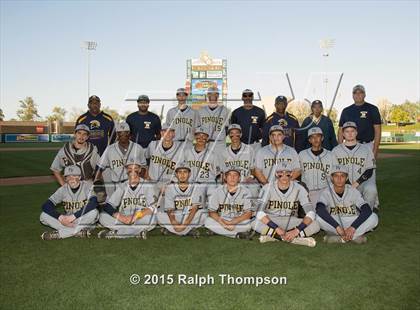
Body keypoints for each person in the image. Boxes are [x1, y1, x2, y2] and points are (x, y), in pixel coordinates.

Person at [252, 162, 320, 244]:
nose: (284, 176)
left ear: (291, 174)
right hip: (272, 220)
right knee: (254, 223)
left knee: (316, 224)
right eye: (281, 173)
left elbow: (311, 213)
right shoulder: (267, 188)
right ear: (276, 174)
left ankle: (277, 236)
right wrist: (276, 228)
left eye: (287, 173)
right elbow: (259, 212)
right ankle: (293, 238)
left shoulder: (299, 188)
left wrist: (296, 230)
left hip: (291, 220)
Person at [316, 165, 378, 244]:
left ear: (347, 178)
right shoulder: (326, 192)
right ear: (331, 178)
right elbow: (319, 209)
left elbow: (366, 210)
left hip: (351, 220)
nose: (339, 179)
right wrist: (337, 227)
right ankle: (354, 237)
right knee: (317, 218)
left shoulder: (353, 191)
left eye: (342, 176)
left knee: (374, 218)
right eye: (336, 176)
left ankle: (340, 238)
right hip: (335, 221)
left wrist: (353, 227)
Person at [97, 158, 158, 239]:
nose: (132, 170)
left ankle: (117, 234)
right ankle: (135, 232)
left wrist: (136, 216)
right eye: (129, 168)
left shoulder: (147, 185)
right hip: (123, 220)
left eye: (135, 168)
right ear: (126, 170)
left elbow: (153, 207)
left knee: (152, 219)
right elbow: (109, 206)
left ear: (140, 169)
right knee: (102, 216)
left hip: (139, 219)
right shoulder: (122, 186)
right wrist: (122, 218)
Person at [40, 165, 99, 240]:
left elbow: (94, 203)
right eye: (68, 176)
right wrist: (60, 218)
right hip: (67, 222)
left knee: (94, 212)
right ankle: (78, 231)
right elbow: (46, 205)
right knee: (43, 215)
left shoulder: (87, 186)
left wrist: (73, 217)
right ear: (65, 179)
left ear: (79, 177)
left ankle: (60, 234)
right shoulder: (63, 189)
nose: (71, 179)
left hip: (82, 218)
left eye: (74, 176)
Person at [332, 122, 379, 210]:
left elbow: (369, 170)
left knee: (371, 189)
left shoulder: (366, 149)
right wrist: (347, 185)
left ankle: (367, 213)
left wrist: (356, 184)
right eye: (347, 131)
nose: (350, 134)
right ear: (343, 134)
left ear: (356, 133)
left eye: (352, 131)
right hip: (343, 184)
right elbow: (335, 171)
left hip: (362, 183)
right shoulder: (336, 150)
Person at [95, 122, 147, 196]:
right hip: (117, 185)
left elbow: (143, 167)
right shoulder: (110, 149)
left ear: (129, 133)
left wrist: (138, 181)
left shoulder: (138, 148)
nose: (122, 135)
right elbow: (99, 167)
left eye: (125, 132)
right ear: (117, 134)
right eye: (120, 133)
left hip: (134, 184)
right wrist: (98, 183)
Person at [157, 162, 205, 237]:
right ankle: (188, 230)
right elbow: (170, 210)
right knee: (158, 215)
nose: (182, 175)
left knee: (204, 213)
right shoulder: (170, 188)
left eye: (185, 172)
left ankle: (172, 230)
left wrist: (184, 225)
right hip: (176, 216)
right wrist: (174, 223)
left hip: (190, 216)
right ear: (176, 174)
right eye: (180, 172)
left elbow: (194, 209)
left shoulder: (196, 187)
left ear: (189, 174)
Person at [204, 167, 254, 239]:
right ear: (225, 177)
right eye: (229, 175)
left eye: (235, 175)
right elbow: (211, 212)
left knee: (248, 224)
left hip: (238, 221)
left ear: (239, 178)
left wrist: (234, 222)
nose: (232, 177)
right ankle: (236, 235)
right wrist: (223, 224)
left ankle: (219, 231)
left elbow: (248, 213)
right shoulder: (217, 191)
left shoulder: (246, 191)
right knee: (207, 221)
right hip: (223, 220)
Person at [146, 124, 186, 209]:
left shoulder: (181, 148)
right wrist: (146, 173)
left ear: (174, 134)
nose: (167, 133)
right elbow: (145, 159)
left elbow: (183, 169)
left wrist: (172, 184)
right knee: (150, 208)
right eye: (164, 131)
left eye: (170, 131)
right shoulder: (153, 145)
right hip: (153, 182)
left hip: (171, 183)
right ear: (161, 133)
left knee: (167, 209)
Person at [338, 85, 382, 159]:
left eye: (360, 92)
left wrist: (375, 150)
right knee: (349, 170)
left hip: (367, 145)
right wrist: (341, 149)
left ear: (364, 94)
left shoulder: (373, 109)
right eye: (355, 93)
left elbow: (378, 131)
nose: (358, 94)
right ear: (352, 95)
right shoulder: (346, 111)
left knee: (368, 170)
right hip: (349, 145)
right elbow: (340, 131)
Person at [298, 127, 335, 207]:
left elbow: (335, 176)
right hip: (308, 192)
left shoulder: (331, 155)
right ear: (309, 140)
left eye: (318, 136)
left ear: (322, 138)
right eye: (312, 137)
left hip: (326, 192)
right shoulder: (302, 154)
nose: (315, 139)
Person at [220, 124, 259, 198]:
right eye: (231, 133)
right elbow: (222, 172)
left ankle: (252, 209)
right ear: (228, 135)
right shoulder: (224, 152)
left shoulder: (249, 149)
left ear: (240, 134)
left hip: (246, 181)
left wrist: (251, 176)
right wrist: (223, 183)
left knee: (254, 189)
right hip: (231, 182)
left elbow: (253, 168)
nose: (234, 135)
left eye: (237, 132)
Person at [183, 127, 222, 201]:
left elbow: (218, 175)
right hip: (191, 183)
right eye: (198, 135)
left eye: (203, 136)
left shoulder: (212, 155)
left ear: (207, 138)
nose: (201, 138)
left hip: (208, 184)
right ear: (194, 137)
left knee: (213, 196)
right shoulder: (186, 153)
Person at [198, 86, 230, 153]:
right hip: (205, 143)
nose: (212, 96)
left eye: (215, 94)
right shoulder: (200, 111)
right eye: (210, 93)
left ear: (218, 95)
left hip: (220, 144)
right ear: (207, 95)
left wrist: (221, 137)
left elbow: (227, 128)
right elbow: (198, 127)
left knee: (220, 163)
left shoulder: (225, 110)